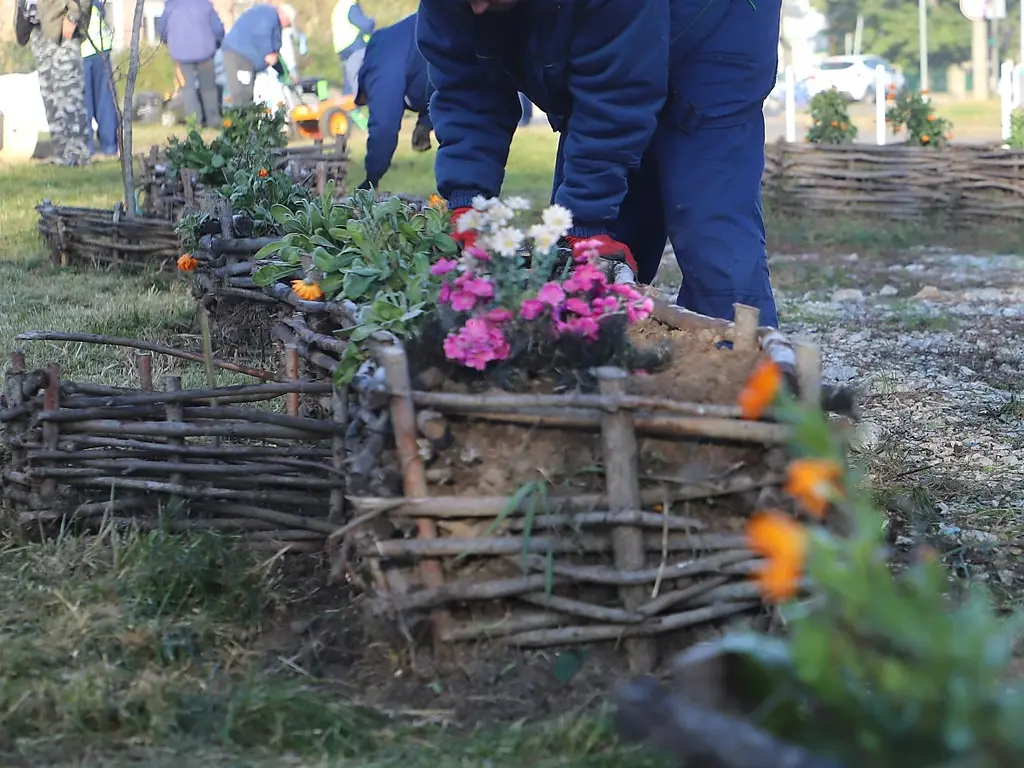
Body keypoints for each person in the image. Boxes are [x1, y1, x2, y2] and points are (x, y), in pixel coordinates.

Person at [416, 0, 783, 328]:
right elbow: (467, 91)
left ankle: (745, 381)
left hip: (713, 34)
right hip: (608, 44)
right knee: (587, 261)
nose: (477, 7)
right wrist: (469, 202)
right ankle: (606, 373)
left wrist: (586, 219)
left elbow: (616, 96)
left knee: (709, 227)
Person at [353, 13, 433, 191]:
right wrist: (426, 123)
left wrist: (372, 177)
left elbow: (384, 124)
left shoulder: (380, 62)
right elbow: (437, 80)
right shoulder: (399, 44)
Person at [14, 0, 92, 166]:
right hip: (37, 29)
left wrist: (72, 17)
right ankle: (62, 154)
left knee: (70, 95)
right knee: (51, 98)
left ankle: (78, 155)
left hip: (62, 29)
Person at [157, 0, 225, 127]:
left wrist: (169, 42)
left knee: (188, 89)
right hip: (205, 50)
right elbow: (218, 29)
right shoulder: (204, 4)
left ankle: (194, 122)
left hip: (181, 52)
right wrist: (217, 43)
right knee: (209, 88)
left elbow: (162, 29)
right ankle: (213, 120)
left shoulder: (171, 5)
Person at [220, 3, 295, 108]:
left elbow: (274, 55)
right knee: (242, 94)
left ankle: (248, 120)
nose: (287, 25)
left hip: (247, 59)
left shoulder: (274, 24)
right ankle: (241, 121)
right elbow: (263, 36)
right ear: (283, 14)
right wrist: (268, 52)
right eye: (288, 21)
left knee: (248, 94)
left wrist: (284, 72)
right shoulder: (269, 15)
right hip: (239, 56)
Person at [80, 0, 118, 157]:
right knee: (105, 103)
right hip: (101, 46)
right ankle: (110, 147)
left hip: (82, 49)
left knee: (83, 104)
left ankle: (86, 149)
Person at [331, 0, 374, 96]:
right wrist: (371, 21)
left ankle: (349, 107)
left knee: (349, 78)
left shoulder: (339, 6)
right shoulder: (350, 6)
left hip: (341, 48)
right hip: (353, 44)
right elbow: (365, 25)